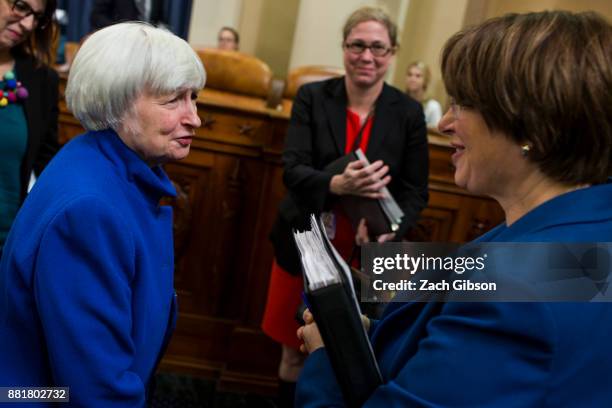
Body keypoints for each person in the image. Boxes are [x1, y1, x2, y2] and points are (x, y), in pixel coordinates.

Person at [296, 10, 612, 407]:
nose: (445, 122)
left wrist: (328, 355)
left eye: (462, 104)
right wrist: (371, 334)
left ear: (530, 128)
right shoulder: (581, 226)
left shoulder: (518, 299)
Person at [0, 22, 205, 406]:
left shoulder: (92, 155)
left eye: (194, 98)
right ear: (119, 102)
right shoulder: (90, 211)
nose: (194, 117)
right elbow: (94, 392)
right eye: (174, 100)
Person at [263, 5, 429, 407]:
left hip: (371, 256)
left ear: (392, 53)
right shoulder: (312, 96)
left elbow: (415, 192)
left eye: (378, 47)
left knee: (362, 353)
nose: (367, 56)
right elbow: (292, 171)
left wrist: (393, 229)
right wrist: (336, 183)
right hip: (305, 244)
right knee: (294, 349)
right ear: (344, 48)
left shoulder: (408, 113)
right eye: (357, 45)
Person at [0, 0, 58, 253]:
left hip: (6, 248)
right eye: (22, 6)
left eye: (37, 17)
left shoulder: (41, 79)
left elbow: (47, 165)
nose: (27, 24)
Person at [405, 61, 442, 128]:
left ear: (425, 80)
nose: (412, 79)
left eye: (418, 76)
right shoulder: (399, 101)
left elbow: (436, 132)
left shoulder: (433, 106)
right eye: (410, 75)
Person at [90, 0, 167, 30]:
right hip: (118, 40)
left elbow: (159, 20)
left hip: (148, 43)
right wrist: (118, 29)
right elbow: (97, 16)